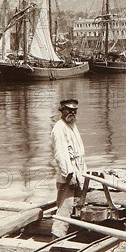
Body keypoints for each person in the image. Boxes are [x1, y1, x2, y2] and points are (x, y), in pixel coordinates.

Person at [51, 98, 86, 239]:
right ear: (62, 111)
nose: (72, 113)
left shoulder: (72, 126)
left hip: (79, 172)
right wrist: (69, 175)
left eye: (74, 110)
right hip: (68, 175)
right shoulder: (59, 128)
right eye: (68, 110)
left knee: (77, 204)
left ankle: (75, 233)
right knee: (64, 208)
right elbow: (60, 154)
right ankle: (56, 238)